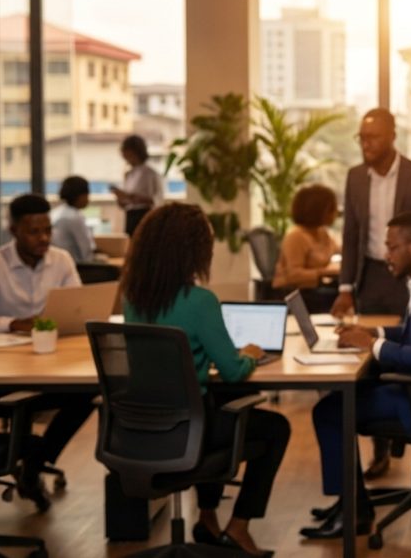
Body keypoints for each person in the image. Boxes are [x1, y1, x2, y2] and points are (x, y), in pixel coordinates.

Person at [121, 203, 290, 557]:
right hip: (190, 435)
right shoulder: (200, 301)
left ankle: (208, 519)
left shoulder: (133, 299)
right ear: (192, 251)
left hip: (140, 432)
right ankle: (239, 527)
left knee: (218, 406)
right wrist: (250, 354)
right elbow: (233, 371)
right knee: (274, 428)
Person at [303, 211, 411, 540]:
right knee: (340, 402)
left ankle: (352, 512)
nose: (386, 255)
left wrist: (373, 344)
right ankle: (353, 504)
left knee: (330, 411)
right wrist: (372, 331)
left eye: (393, 248)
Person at [330, 108, 411, 478]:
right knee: (369, 355)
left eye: (373, 138)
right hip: (371, 276)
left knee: (409, 348)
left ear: (392, 136)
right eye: (362, 139)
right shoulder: (354, 178)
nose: (366, 145)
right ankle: (380, 444)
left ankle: (404, 418)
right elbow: (351, 234)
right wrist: (346, 287)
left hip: (409, 276)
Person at [0, 194, 94, 510]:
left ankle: (34, 464)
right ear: (14, 230)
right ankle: (29, 457)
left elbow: (78, 309)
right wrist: (15, 323)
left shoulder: (60, 261)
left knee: (89, 391)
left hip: (51, 370)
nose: (44, 238)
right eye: (34, 231)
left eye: (48, 230)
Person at [273, 184, 341, 312]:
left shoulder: (322, 233)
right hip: (297, 295)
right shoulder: (296, 236)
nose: (336, 213)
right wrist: (325, 272)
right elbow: (294, 275)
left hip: (314, 290)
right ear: (319, 210)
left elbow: (340, 251)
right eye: (332, 208)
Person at [111, 134, 163, 236]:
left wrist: (130, 197)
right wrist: (121, 199)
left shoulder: (149, 173)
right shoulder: (129, 174)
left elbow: (154, 200)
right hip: (130, 216)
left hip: (143, 215)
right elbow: (126, 204)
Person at [51, 175, 96, 263]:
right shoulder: (75, 217)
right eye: (87, 194)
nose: (88, 198)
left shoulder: (56, 212)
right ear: (80, 195)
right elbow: (86, 251)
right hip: (75, 265)